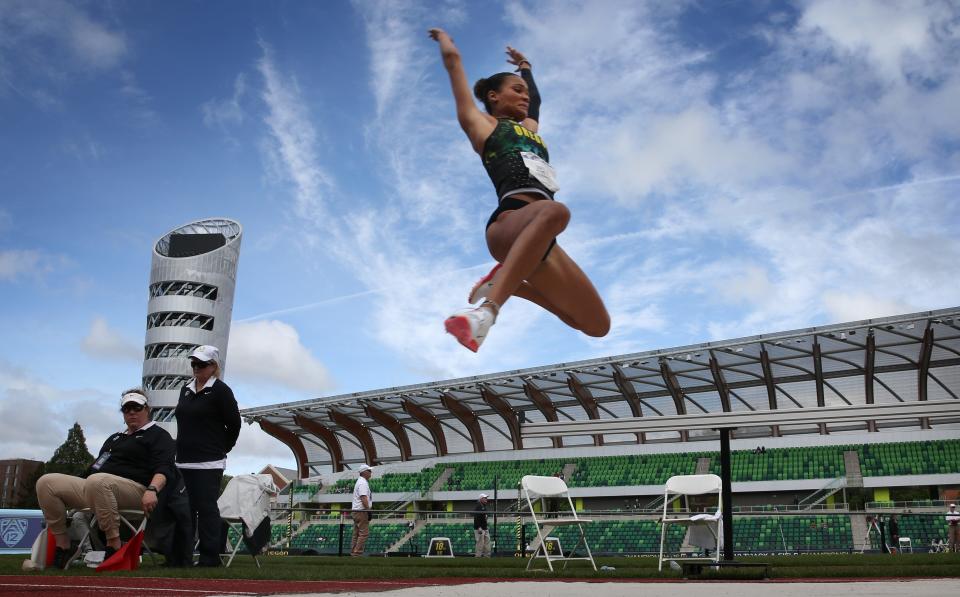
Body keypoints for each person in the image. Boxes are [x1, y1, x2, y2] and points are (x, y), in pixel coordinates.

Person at [429, 28, 610, 352]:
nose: (525, 96)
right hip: (510, 223)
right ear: (494, 97)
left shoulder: (530, 128)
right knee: (557, 211)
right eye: (516, 90)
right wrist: (445, 40)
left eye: (525, 91)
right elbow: (453, 63)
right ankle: (487, 312)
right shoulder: (482, 124)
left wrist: (525, 66)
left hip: (539, 237)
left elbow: (535, 101)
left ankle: (516, 287)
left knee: (597, 325)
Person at [35, 389, 176, 569]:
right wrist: (71, 487)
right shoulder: (115, 438)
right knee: (47, 482)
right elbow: (94, 468)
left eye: (137, 407)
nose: (132, 412)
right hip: (98, 487)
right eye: (127, 409)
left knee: (98, 481)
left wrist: (153, 489)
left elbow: (164, 468)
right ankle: (64, 546)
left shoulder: (159, 435)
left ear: (147, 410)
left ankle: (113, 545)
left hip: (137, 491)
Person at [174, 345, 241, 567]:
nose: (196, 368)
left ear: (213, 366)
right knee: (184, 510)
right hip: (183, 459)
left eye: (201, 364)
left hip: (208, 461)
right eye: (194, 363)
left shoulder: (221, 390)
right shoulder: (185, 388)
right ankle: (181, 557)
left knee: (206, 508)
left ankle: (209, 557)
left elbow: (234, 423)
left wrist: (224, 447)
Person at [350, 464, 374, 557]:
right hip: (361, 511)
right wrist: (368, 511)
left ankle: (353, 552)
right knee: (364, 533)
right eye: (369, 471)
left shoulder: (360, 482)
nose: (371, 473)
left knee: (356, 533)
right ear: (364, 472)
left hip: (356, 511)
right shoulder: (363, 483)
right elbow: (363, 498)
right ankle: (357, 553)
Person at [473, 493, 491, 557]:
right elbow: (476, 518)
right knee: (480, 543)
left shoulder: (483, 506)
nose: (486, 499)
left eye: (486, 498)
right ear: (481, 499)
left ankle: (487, 555)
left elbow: (484, 516)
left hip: (484, 527)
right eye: (485, 498)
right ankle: (478, 556)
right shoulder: (478, 506)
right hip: (480, 528)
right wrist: (478, 527)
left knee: (487, 542)